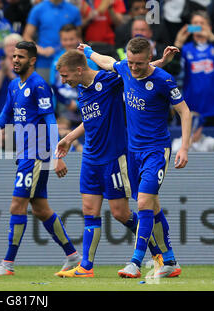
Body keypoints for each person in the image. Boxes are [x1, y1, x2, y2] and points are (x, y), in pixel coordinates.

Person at [53, 49, 180, 277]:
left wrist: (160, 61)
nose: (63, 81)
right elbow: (91, 120)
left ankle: (158, 254)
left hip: (115, 157)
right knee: (89, 209)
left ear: (79, 69)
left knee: (121, 213)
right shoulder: (82, 89)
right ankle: (86, 267)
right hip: (91, 157)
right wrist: (70, 137)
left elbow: (136, 71)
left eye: (65, 75)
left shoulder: (108, 80)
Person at [0, 41, 82, 276]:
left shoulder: (39, 85)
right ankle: (73, 255)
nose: (15, 60)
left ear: (33, 60)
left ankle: (7, 263)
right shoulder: (14, 86)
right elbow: (2, 119)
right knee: (41, 209)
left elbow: (50, 121)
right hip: (25, 154)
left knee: (17, 205)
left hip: (36, 155)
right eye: (14, 56)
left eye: (21, 57)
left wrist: (57, 154)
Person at [80, 37, 192, 278]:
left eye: (138, 63)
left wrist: (184, 147)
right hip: (132, 152)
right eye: (130, 62)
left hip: (155, 150)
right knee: (152, 205)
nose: (133, 67)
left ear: (149, 59)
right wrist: (89, 51)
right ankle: (170, 261)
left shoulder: (163, 80)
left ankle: (136, 262)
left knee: (143, 204)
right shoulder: (126, 69)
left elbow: (184, 111)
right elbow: (107, 62)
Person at [174, 10, 214, 126]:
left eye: (202, 23)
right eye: (195, 23)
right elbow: (174, 70)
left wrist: (212, 38)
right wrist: (178, 44)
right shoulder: (185, 49)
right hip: (193, 110)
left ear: (209, 26)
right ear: (190, 27)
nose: (198, 26)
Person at [23, 0, 82, 83]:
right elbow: (26, 36)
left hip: (69, 63)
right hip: (44, 63)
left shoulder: (74, 10)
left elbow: (78, 38)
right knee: (44, 94)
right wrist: (41, 51)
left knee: (69, 94)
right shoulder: (38, 9)